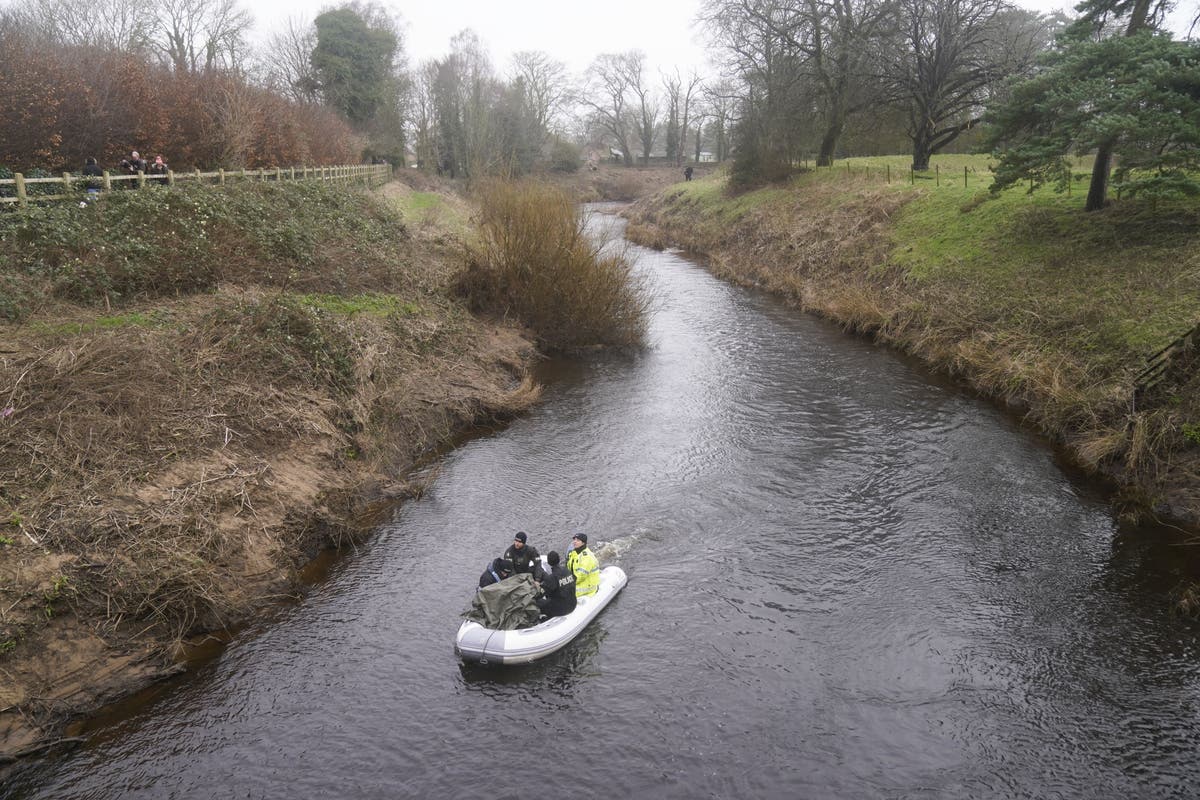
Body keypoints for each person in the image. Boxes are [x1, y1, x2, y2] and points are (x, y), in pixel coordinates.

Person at [535, 551, 576, 618]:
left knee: (537, 602)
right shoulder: (567, 571)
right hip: (573, 603)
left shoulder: (552, 578)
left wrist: (537, 587)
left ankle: (545, 618)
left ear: (548, 562)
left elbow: (540, 594)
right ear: (559, 559)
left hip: (562, 609)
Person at [565, 533, 600, 598]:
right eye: (574, 539)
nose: (575, 541)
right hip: (579, 582)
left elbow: (580, 576)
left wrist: (567, 582)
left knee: (564, 594)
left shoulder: (586, 557)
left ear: (583, 543)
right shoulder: (574, 554)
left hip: (588, 586)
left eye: (578, 540)